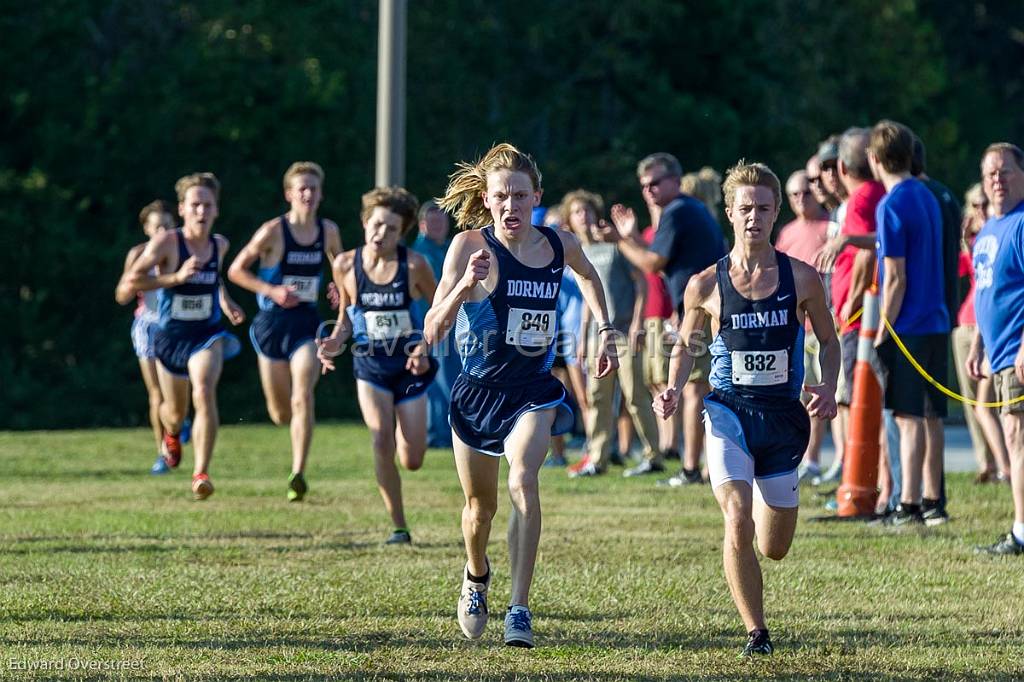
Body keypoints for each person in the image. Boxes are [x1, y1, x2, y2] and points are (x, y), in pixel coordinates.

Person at [426, 143, 616, 648]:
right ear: (487, 200)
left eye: (520, 195)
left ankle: (519, 608)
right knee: (479, 510)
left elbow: (590, 275)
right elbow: (430, 330)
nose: (511, 205)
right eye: (501, 196)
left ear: (537, 197)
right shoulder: (469, 247)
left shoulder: (557, 245)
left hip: (532, 390)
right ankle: (475, 573)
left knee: (524, 479)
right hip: (478, 394)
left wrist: (606, 327)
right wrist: (463, 284)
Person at [654, 161, 839, 656]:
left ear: (775, 211)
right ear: (730, 214)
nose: (753, 217)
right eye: (744, 209)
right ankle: (756, 631)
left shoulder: (801, 278)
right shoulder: (705, 284)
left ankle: (764, 504)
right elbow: (687, 345)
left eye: (762, 208)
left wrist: (827, 384)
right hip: (728, 411)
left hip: (782, 419)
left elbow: (829, 339)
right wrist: (673, 387)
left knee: (773, 547)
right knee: (737, 518)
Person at [318, 186, 436, 544]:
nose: (381, 233)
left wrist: (425, 347)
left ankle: (407, 448)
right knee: (380, 438)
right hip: (370, 365)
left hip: (410, 367)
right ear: (365, 222)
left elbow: (440, 310)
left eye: (391, 229)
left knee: (412, 458)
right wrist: (334, 342)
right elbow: (347, 316)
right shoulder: (345, 265)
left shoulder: (414, 265)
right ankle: (399, 525)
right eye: (376, 224)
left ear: (402, 233)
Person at [227, 162, 342, 501]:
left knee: (302, 394)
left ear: (320, 194)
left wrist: (338, 284)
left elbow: (342, 267)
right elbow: (235, 270)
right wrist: (271, 290)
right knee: (280, 412)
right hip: (271, 325)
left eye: (313, 188)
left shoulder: (328, 231)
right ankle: (292, 431)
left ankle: (298, 473)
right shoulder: (273, 231)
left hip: (306, 324)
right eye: (301, 188)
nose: (307, 194)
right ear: (289, 194)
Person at [127, 172, 245, 500]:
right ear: (182, 208)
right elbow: (134, 280)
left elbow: (213, 279)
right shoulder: (167, 243)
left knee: (204, 391)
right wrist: (175, 277)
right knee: (174, 412)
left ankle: (201, 472)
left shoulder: (219, 245)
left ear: (216, 209)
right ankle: (172, 434)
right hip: (170, 336)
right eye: (195, 205)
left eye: (207, 205)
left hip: (206, 333)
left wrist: (227, 302)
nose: (201, 211)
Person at [609, 152, 727, 481]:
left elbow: (652, 264)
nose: (648, 190)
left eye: (656, 183)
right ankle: (702, 465)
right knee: (695, 386)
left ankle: (692, 468)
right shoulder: (687, 209)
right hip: (702, 308)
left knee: (693, 389)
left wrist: (620, 241)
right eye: (644, 185)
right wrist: (632, 236)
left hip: (704, 309)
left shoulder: (677, 211)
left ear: (676, 180)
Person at [868, 120, 950, 527]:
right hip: (936, 318)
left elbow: (895, 276)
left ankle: (910, 503)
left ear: (875, 158)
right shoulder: (928, 195)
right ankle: (936, 500)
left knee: (907, 415)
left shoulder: (892, 203)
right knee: (933, 415)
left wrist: (885, 327)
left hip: (910, 324)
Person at [558, 190, 656, 478]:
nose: (584, 217)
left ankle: (654, 455)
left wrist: (638, 323)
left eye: (587, 210)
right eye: (577, 212)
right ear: (570, 221)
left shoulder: (614, 247)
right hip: (595, 338)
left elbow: (642, 285)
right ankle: (597, 458)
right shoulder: (580, 253)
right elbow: (591, 301)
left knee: (636, 395)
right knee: (597, 398)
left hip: (623, 331)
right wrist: (583, 338)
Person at [817, 128, 887, 486]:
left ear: (844, 167)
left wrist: (850, 305)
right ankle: (860, 478)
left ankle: (856, 480)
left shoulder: (861, 200)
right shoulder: (875, 193)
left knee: (849, 399)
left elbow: (864, 257)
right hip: (863, 312)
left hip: (856, 315)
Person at [968, 142, 1024, 555]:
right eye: (990, 174)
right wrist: (977, 344)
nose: (997, 180)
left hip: (1018, 354)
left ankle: (1021, 531)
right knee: (1013, 435)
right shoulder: (988, 229)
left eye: (1005, 171)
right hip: (997, 351)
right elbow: (985, 291)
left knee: (1017, 436)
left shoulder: (1021, 225)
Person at [775, 171, 832, 482]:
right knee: (797, 395)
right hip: (794, 327)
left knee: (820, 394)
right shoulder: (787, 232)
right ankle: (796, 455)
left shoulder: (829, 226)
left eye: (805, 193)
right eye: (794, 195)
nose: (800, 200)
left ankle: (813, 459)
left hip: (823, 324)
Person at [115, 200, 177, 474]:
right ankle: (161, 454)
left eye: (168, 225)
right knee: (156, 395)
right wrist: (132, 285)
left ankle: (177, 425)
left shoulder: (183, 250)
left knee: (181, 393)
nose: (163, 231)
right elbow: (121, 295)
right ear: (147, 229)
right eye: (157, 226)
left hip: (177, 327)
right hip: (148, 326)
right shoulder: (139, 255)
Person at [954, 184, 1009, 483]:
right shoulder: (976, 242)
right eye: (974, 206)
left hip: (990, 329)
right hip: (966, 325)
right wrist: (964, 241)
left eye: (983, 204)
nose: (979, 211)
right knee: (973, 402)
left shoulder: (1003, 235)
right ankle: (986, 463)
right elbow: (962, 270)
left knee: (990, 404)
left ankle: (1005, 467)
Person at [411, 200, 460, 449]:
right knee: (436, 382)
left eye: (442, 221)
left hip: (454, 325)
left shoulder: (452, 247)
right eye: (433, 221)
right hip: (426, 326)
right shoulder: (419, 254)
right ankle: (436, 435)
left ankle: (450, 432)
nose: (439, 225)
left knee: (451, 379)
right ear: (422, 225)